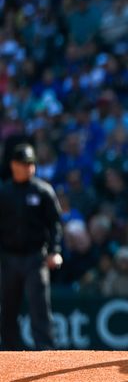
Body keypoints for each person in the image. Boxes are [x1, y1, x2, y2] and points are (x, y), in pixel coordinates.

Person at [0, 144, 63, 350]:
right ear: (13, 165)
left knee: (40, 308)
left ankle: (45, 352)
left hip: (36, 258)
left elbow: (54, 224)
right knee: (8, 308)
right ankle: (9, 352)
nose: (27, 167)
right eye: (23, 163)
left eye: (30, 163)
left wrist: (55, 251)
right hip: (9, 258)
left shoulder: (43, 191)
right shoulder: (4, 192)